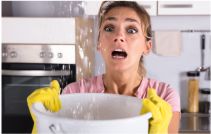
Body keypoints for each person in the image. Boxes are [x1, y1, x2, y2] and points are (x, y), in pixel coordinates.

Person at [27, 1, 181, 134]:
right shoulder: (74, 93)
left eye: (131, 30)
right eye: (109, 28)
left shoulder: (164, 96)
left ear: (147, 47)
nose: (119, 36)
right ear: (99, 43)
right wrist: (41, 122)